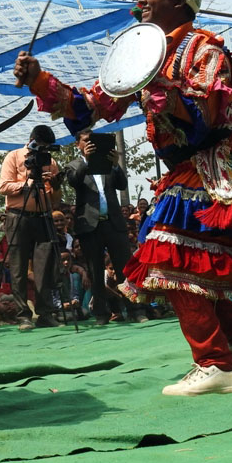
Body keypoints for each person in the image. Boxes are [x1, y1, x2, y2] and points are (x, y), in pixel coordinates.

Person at [14, 0, 232, 396]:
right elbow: (90, 109)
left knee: (170, 260)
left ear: (178, 2)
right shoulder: (141, 52)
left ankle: (217, 364)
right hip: (185, 171)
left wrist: (162, 87)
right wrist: (40, 80)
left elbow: (205, 119)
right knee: (189, 262)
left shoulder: (205, 50)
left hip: (212, 168)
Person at [64, 128, 146, 325]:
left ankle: (136, 310)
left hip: (113, 223)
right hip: (90, 227)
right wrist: (88, 160)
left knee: (125, 268)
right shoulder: (73, 165)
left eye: (92, 141)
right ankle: (101, 313)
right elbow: (74, 181)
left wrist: (116, 165)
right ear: (78, 144)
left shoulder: (108, 163)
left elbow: (121, 184)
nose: (89, 144)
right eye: (85, 141)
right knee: (95, 269)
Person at [0, 124, 63, 330]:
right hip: (18, 216)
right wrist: (27, 184)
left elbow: (56, 201)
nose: (45, 150)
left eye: (48, 147)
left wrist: (55, 185)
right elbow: (4, 187)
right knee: (18, 268)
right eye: (42, 145)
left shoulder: (50, 162)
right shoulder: (14, 156)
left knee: (44, 267)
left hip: (43, 216)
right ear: (33, 140)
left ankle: (45, 313)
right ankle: (23, 315)